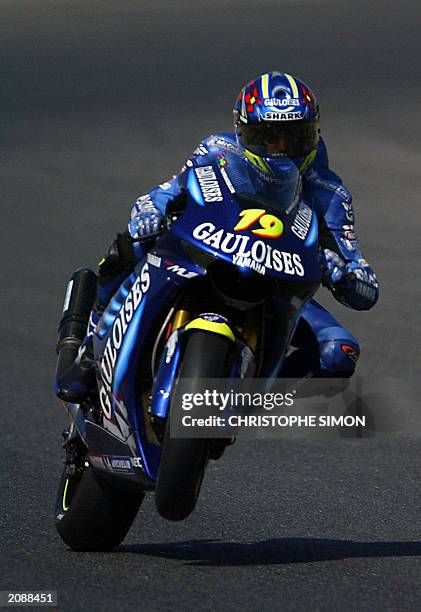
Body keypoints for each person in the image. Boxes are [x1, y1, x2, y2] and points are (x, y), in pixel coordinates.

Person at [57, 71, 379, 403]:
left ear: (315, 133)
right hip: (208, 253)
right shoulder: (217, 149)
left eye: (294, 137)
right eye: (269, 137)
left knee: (340, 352)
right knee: (129, 247)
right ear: (243, 131)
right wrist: (150, 211)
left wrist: (342, 273)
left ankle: (247, 397)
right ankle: (89, 347)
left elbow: (366, 287)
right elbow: (166, 192)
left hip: (278, 282)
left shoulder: (331, 193)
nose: (281, 150)